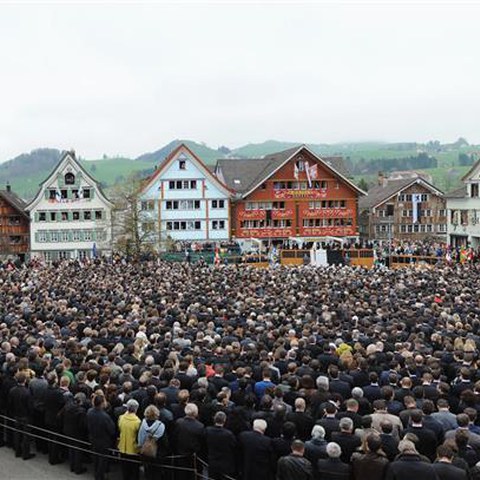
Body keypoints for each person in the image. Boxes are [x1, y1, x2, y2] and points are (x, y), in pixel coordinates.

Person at [87, 394, 116, 480]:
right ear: (102, 403)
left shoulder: (89, 411)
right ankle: (99, 476)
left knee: (95, 457)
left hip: (93, 438)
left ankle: (96, 473)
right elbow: (112, 430)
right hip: (103, 441)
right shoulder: (105, 417)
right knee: (102, 460)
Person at [174, 402, 205, 480]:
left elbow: (174, 437)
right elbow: (202, 443)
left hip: (180, 454)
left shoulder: (179, 422)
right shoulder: (200, 426)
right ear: (196, 413)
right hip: (193, 457)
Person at [7, 372, 34, 460]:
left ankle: (17, 451)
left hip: (16, 415)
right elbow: (30, 407)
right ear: (25, 380)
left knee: (17, 434)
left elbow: (10, 404)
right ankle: (25, 454)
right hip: (25, 417)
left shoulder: (12, 390)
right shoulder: (27, 392)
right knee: (26, 436)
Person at [206, 411, 237, 480]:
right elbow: (234, 447)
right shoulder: (229, 434)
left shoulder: (208, 430)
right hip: (225, 464)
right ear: (224, 420)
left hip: (212, 461)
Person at [137, 405, 166, 480]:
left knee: (148, 473)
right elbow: (164, 442)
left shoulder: (142, 424)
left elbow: (140, 439)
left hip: (145, 453)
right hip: (157, 454)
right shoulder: (161, 426)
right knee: (157, 474)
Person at [118, 398, 141, 480]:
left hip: (122, 448)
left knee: (125, 471)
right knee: (134, 471)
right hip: (133, 449)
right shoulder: (137, 422)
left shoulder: (121, 418)